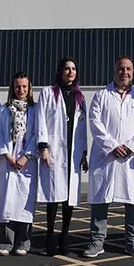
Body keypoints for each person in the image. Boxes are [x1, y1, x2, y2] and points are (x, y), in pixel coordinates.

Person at [82, 56, 134, 258]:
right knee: (101, 198)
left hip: (132, 159)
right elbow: (95, 123)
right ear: (115, 71)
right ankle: (97, 241)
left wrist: (130, 147)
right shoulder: (101, 95)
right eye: (121, 69)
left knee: (133, 199)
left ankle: (132, 241)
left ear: (133, 72)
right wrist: (112, 146)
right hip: (106, 157)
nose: (125, 72)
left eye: (128, 69)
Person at [37, 57, 88, 256]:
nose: (70, 72)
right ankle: (49, 234)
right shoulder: (48, 93)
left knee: (69, 199)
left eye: (73, 68)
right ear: (60, 71)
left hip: (73, 152)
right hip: (54, 151)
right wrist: (43, 146)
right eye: (66, 68)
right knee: (53, 197)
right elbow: (40, 118)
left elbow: (82, 127)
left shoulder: (79, 97)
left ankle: (64, 235)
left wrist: (84, 152)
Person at [0, 72, 40, 256]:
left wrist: (26, 156)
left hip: (27, 163)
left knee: (24, 204)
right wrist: (7, 155)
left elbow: (37, 134)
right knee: (7, 202)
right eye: (18, 87)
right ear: (13, 88)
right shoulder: (4, 110)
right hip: (9, 162)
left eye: (24, 87)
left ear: (29, 89)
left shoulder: (35, 110)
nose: (21, 90)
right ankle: (5, 242)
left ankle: (23, 242)